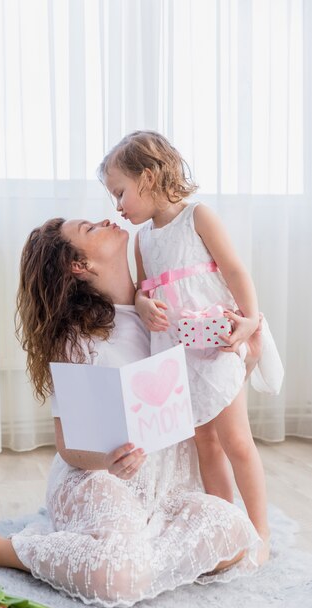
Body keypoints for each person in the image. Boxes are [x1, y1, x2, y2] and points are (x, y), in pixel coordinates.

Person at [0, 216, 264, 608]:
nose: (106, 218)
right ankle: (4, 550)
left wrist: (241, 351)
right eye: (90, 229)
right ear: (80, 266)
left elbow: (209, 392)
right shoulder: (78, 340)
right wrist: (110, 462)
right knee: (119, 575)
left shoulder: (171, 312)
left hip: (164, 488)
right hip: (98, 478)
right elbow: (69, 448)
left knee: (237, 536)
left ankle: (136, 554)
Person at [99, 130, 284, 567]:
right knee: (205, 442)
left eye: (120, 192)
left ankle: (260, 533)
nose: (118, 207)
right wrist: (144, 306)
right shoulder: (143, 239)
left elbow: (235, 269)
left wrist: (251, 319)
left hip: (216, 344)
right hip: (176, 352)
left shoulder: (197, 217)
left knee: (236, 440)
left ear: (147, 178)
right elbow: (143, 288)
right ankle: (225, 530)